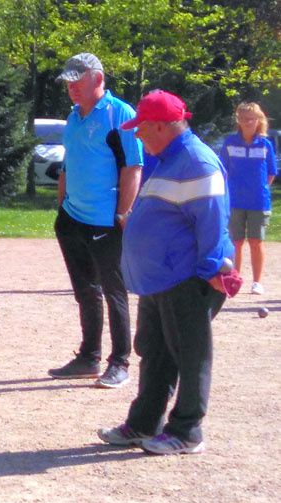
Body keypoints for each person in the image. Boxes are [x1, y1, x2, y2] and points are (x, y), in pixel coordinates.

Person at [97, 90, 237, 455]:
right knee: (155, 351)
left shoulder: (197, 162)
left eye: (141, 128)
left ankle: (187, 431)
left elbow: (213, 223)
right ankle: (143, 423)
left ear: (161, 126)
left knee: (190, 355)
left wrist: (208, 269)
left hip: (188, 278)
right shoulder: (166, 158)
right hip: (161, 278)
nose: (137, 134)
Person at [48, 53, 144, 389]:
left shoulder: (120, 114)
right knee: (85, 291)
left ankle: (119, 363)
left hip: (106, 222)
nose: (72, 88)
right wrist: (62, 209)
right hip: (72, 219)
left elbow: (133, 167)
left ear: (98, 79)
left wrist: (123, 213)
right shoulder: (74, 117)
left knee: (114, 292)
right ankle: (89, 357)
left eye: (78, 81)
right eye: (69, 82)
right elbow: (68, 165)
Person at [219, 102, 277, 295]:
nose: (248, 122)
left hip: (258, 201)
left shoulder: (265, 144)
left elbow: (270, 173)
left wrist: (259, 190)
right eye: (243, 118)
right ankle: (234, 279)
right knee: (236, 242)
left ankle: (257, 282)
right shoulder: (229, 142)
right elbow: (223, 170)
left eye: (251, 118)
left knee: (256, 241)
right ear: (239, 121)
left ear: (258, 120)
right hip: (234, 201)